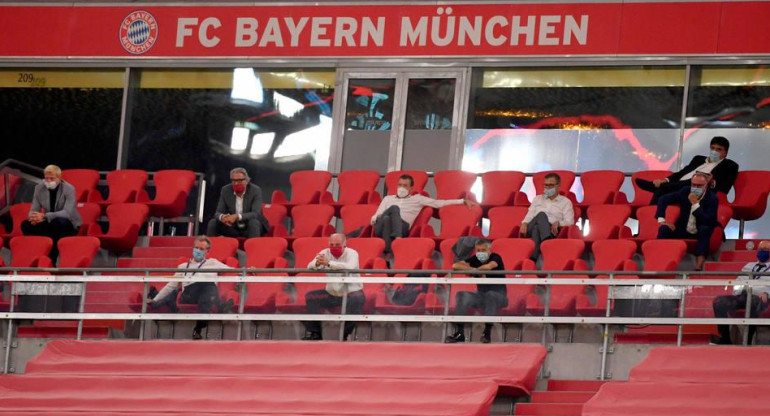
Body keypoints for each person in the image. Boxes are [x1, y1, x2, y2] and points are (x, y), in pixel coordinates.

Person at [147, 236, 233, 340]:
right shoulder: (183, 266)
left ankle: (198, 329)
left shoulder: (213, 263)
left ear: (207, 252)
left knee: (207, 294)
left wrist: (248, 270)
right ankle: (220, 307)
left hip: (206, 297)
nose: (198, 251)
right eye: (196, 248)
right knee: (209, 284)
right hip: (188, 296)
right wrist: (155, 299)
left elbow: (233, 270)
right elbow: (171, 286)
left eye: (201, 249)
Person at [371, 174, 476, 256]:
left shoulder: (418, 199)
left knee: (386, 219)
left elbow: (439, 203)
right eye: (400, 185)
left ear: (411, 188)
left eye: (405, 186)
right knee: (391, 211)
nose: (401, 188)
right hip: (381, 228)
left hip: (402, 227)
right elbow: (374, 219)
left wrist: (462, 201)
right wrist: (376, 218)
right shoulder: (388, 199)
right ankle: (398, 240)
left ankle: (388, 252)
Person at [636, 136, 739, 204]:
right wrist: (665, 180)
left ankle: (655, 186)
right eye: (713, 148)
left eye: (719, 149)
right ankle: (647, 229)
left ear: (725, 153)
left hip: (698, 191)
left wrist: (711, 182)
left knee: (694, 181)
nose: (714, 151)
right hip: (678, 187)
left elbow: (725, 188)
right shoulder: (698, 159)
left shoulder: (730, 165)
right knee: (659, 192)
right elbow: (681, 173)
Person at [301, 233, 364, 341]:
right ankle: (315, 334)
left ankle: (344, 335)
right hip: (332, 293)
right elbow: (309, 266)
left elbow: (349, 267)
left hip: (351, 293)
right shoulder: (325, 253)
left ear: (344, 244)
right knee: (311, 297)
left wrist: (329, 263)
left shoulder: (352, 253)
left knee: (358, 298)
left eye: (337, 244)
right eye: (332, 244)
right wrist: (317, 263)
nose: (334, 247)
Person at [445, 239, 507, 344]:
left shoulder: (496, 257)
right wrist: (473, 270)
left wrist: (472, 270)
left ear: (489, 250)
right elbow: (455, 266)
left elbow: (489, 266)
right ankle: (460, 333)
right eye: (478, 250)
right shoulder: (475, 259)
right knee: (461, 295)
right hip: (481, 296)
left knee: (490, 295)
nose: (480, 253)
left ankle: (487, 333)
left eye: (483, 250)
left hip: (499, 297)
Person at [710, 240, 770, 345]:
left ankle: (747, 340)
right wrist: (741, 290)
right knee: (719, 301)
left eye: (766, 250)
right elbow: (739, 282)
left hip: (762, 298)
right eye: (760, 250)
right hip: (743, 295)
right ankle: (725, 338)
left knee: (752, 302)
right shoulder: (749, 266)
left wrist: (767, 293)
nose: (762, 252)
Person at [656, 172, 718, 271]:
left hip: (700, 230)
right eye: (693, 185)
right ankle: (659, 261)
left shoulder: (712, 198)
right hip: (683, 229)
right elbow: (663, 199)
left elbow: (707, 221)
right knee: (664, 229)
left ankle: (699, 266)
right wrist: (662, 220)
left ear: (706, 185)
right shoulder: (685, 191)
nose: (695, 188)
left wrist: (695, 205)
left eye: (699, 185)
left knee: (704, 229)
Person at [21, 164, 81, 261]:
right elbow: (33, 209)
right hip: (49, 221)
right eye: (46, 178)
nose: (48, 181)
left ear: (59, 178)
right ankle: (36, 256)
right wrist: (34, 217)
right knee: (25, 225)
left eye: (51, 179)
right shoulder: (39, 188)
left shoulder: (69, 189)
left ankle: (51, 259)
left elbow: (67, 213)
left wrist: (44, 216)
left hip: (67, 222)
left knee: (58, 223)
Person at [519, 173, 574, 262]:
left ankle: (532, 259)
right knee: (541, 215)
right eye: (545, 185)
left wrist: (559, 223)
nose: (547, 187)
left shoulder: (566, 202)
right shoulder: (537, 199)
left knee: (537, 228)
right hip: (532, 226)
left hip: (552, 230)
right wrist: (524, 223)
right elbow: (530, 214)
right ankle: (547, 243)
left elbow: (570, 221)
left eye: (551, 185)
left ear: (558, 185)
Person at [207, 167, 269, 238]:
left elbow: (256, 214)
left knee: (253, 223)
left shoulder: (255, 190)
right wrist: (223, 217)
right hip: (233, 227)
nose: (236, 183)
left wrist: (237, 216)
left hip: (250, 226)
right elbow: (217, 213)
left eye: (239, 180)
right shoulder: (225, 190)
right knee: (213, 222)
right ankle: (208, 247)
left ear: (246, 180)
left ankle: (253, 248)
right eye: (233, 180)